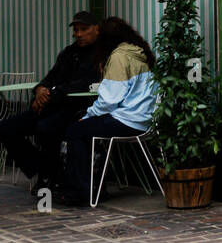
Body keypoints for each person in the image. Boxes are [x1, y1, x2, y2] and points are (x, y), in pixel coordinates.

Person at [0, 11, 101, 195]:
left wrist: (51, 94)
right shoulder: (69, 53)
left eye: (84, 30)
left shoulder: (99, 55)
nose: (79, 34)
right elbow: (49, 78)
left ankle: (48, 176)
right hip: (50, 105)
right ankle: (47, 170)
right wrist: (39, 91)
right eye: (76, 30)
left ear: (96, 29)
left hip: (76, 108)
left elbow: (86, 84)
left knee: (45, 128)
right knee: (5, 128)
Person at [56, 17, 158, 206]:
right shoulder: (140, 52)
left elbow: (109, 102)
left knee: (75, 130)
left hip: (127, 120)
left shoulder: (119, 57)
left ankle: (81, 192)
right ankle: (94, 188)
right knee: (87, 128)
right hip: (145, 120)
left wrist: (87, 116)